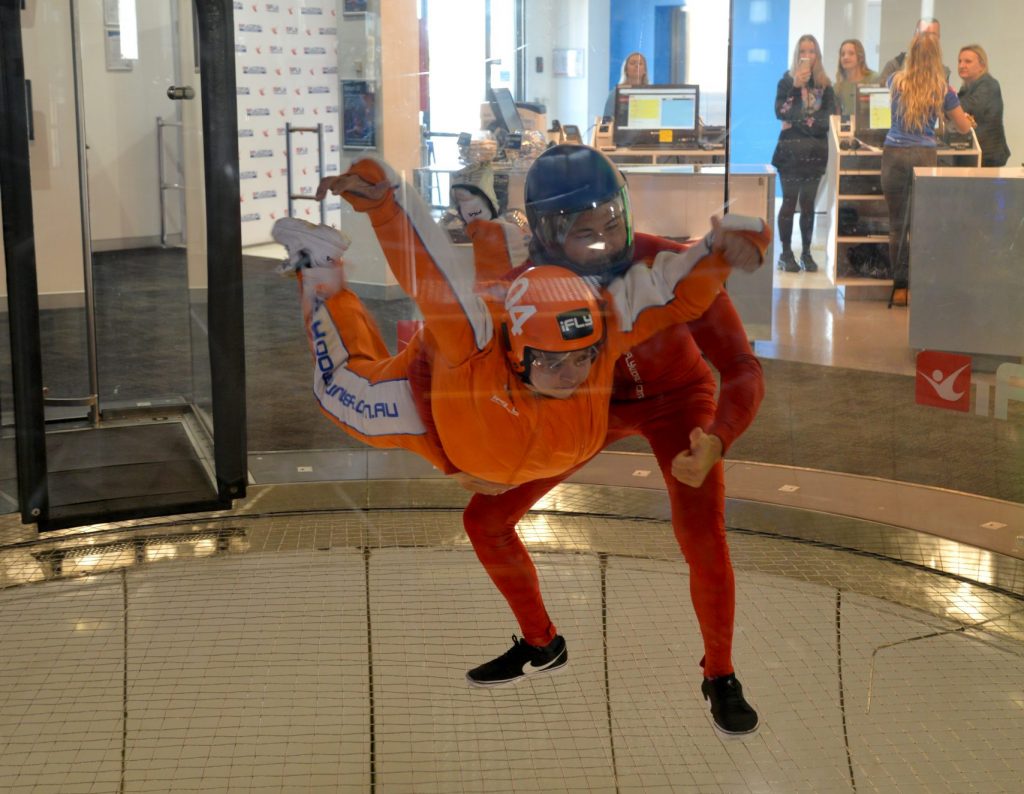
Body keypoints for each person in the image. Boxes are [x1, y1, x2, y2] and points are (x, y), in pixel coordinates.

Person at [279, 151, 768, 489]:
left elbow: (669, 291)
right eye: (554, 364)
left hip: (497, 419)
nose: (574, 374)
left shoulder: (599, 326)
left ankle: (487, 231)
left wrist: (724, 250)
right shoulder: (474, 341)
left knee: (494, 293)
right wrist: (384, 201)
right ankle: (317, 262)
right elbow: (429, 271)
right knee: (340, 391)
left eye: (584, 359)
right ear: (516, 352)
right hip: (441, 399)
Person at [881, 33, 973, 307]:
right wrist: (964, 117)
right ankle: (919, 286)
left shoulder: (894, 81)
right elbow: (963, 127)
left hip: (894, 154)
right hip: (924, 155)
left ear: (910, 54)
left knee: (897, 224)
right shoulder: (943, 88)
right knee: (921, 225)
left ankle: (899, 288)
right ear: (936, 57)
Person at [771, 34, 836, 273]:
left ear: (817, 55)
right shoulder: (786, 82)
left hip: (815, 154)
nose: (807, 56)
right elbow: (781, 112)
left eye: (811, 51)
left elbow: (829, 119)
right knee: (789, 202)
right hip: (790, 154)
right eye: (803, 51)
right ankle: (786, 253)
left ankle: (807, 253)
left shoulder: (826, 85)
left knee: (808, 205)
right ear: (797, 55)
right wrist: (796, 88)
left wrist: (800, 122)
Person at [957, 44, 1010, 167]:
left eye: (968, 61)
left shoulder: (989, 85)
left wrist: (946, 99)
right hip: (977, 153)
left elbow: (966, 107)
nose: (961, 65)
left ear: (982, 66)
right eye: (959, 61)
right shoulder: (967, 88)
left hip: (988, 156)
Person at [878, 17, 949, 85]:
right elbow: (880, 91)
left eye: (932, 35)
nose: (927, 39)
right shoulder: (895, 66)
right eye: (924, 34)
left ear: (938, 38)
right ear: (915, 36)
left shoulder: (943, 72)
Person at [834, 39, 877, 117]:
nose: (845, 57)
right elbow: (837, 117)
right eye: (842, 54)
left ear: (860, 57)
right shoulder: (838, 86)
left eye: (851, 53)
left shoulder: (875, 79)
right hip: (847, 128)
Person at [603, 51, 649, 119]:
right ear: (625, 69)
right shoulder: (616, 94)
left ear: (645, 70)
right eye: (632, 63)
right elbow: (605, 123)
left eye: (640, 63)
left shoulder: (650, 93)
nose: (636, 66)